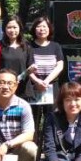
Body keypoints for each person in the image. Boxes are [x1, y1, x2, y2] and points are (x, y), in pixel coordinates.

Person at [28, 16, 64, 145]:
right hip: (33, 87)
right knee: (33, 121)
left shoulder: (55, 46)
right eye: (38, 26)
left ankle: (50, 150)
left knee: (52, 120)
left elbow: (60, 65)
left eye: (44, 26)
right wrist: (37, 81)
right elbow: (27, 66)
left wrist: (47, 81)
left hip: (51, 88)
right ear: (34, 29)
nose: (41, 29)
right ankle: (33, 153)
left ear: (49, 29)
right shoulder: (28, 46)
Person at [0, 14, 34, 100]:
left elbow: (30, 66)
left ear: (19, 28)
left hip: (23, 90)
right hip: (4, 89)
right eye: (9, 27)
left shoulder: (26, 46)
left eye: (15, 27)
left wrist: (32, 70)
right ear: (4, 29)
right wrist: (3, 78)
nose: (12, 30)